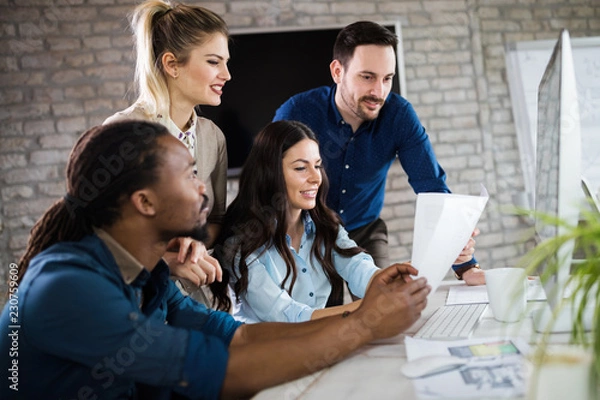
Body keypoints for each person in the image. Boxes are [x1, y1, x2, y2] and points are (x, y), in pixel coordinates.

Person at [0, 120, 430, 399]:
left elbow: (239, 338)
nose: (203, 188)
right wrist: (365, 323)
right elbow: (225, 372)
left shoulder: (147, 273)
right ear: (144, 201)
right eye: (189, 174)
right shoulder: (69, 288)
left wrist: (363, 320)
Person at [272, 21, 485, 293]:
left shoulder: (398, 115)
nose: (379, 91)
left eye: (387, 78)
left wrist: (467, 267)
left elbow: (431, 186)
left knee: (384, 302)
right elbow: (269, 183)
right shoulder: (297, 111)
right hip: (307, 233)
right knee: (325, 319)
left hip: (365, 230)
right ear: (338, 71)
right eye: (367, 77)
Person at [210, 120, 474, 323]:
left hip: (317, 343)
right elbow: (288, 315)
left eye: (318, 165)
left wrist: (392, 278)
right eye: (301, 168)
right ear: (269, 174)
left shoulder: (324, 225)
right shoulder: (243, 242)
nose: (316, 178)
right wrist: (367, 306)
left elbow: (358, 268)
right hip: (269, 357)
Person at [104, 0, 230, 297]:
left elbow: (216, 221)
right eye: (214, 62)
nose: (226, 74)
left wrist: (197, 244)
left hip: (199, 305)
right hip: (136, 306)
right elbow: (99, 235)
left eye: (226, 62)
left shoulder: (214, 138)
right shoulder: (120, 132)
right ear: (172, 64)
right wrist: (164, 261)